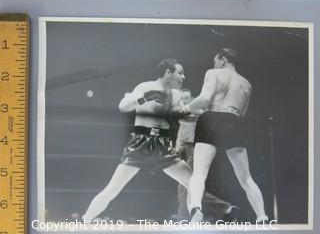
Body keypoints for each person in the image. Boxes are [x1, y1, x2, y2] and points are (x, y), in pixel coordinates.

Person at [82, 59, 194, 223]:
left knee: (193, 183)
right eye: (180, 72)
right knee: (113, 188)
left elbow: (178, 117)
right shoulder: (145, 87)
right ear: (168, 73)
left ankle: (195, 223)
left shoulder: (177, 95)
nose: (183, 77)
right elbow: (123, 106)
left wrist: (192, 111)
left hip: (163, 144)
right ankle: (85, 221)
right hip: (141, 142)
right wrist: (144, 98)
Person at [186, 48, 268, 223]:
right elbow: (242, 113)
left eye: (215, 60)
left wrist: (190, 108)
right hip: (234, 121)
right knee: (246, 177)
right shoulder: (246, 84)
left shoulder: (213, 73)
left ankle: (196, 209)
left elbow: (204, 98)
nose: (214, 64)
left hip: (211, 118)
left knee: (200, 173)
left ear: (222, 59)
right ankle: (262, 216)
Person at [174, 89, 238, 222]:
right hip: (183, 147)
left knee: (185, 183)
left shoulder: (199, 111)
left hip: (194, 147)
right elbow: (181, 126)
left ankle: (183, 216)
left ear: (193, 98)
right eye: (183, 99)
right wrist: (177, 147)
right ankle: (225, 208)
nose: (184, 101)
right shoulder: (182, 109)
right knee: (185, 183)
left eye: (187, 98)